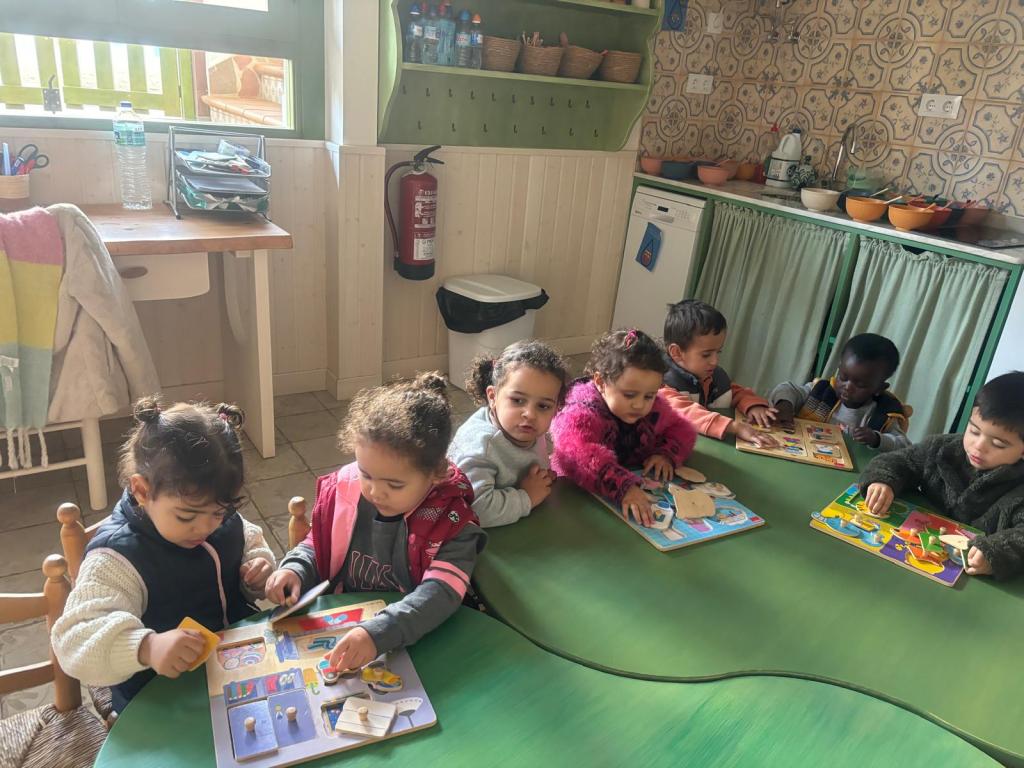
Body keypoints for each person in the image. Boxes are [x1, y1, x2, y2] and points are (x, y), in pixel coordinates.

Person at [51, 398, 274, 713]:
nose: (206, 527)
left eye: (219, 512)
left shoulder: (212, 513)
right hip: (161, 701)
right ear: (142, 491)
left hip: (235, 671)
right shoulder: (115, 559)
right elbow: (73, 642)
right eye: (186, 516)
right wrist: (146, 646)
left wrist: (258, 566)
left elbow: (247, 536)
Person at [264, 372, 486, 674]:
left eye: (394, 485)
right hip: (344, 622)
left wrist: (378, 633)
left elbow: (441, 594)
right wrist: (296, 567)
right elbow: (319, 543)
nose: (375, 492)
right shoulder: (347, 491)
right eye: (365, 474)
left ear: (437, 473)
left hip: (414, 635)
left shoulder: (453, 524)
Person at [861, 372, 1024, 580]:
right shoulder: (942, 448)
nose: (978, 446)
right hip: (909, 552)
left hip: (965, 579)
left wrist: (995, 553)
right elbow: (900, 461)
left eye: (998, 444)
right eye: (974, 431)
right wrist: (883, 480)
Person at [551, 329, 697, 527]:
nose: (639, 405)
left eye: (649, 396)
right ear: (601, 382)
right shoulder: (580, 412)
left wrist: (666, 454)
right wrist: (623, 487)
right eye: (629, 395)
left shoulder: (655, 408)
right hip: (572, 501)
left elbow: (683, 430)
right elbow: (576, 454)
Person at [448, 341, 569, 527]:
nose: (530, 414)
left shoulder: (526, 428)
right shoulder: (481, 447)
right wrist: (526, 496)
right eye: (518, 400)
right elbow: (473, 510)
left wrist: (541, 478)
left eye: (543, 406)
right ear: (492, 397)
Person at [660, 299, 777, 447]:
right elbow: (686, 412)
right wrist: (735, 427)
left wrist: (753, 406)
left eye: (718, 352)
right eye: (706, 355)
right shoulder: (661, 384)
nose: (715, 361)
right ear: (677, 352)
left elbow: (733, 392)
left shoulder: (711, 376)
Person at [769, 333, 911, 451]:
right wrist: (785, 404)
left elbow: (904, 446)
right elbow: (787, 388)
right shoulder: (821, 391)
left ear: (879, 388)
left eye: (860, 384)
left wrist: (877, 439)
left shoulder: (882, 414)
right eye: (843, 377)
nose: (847, 387)